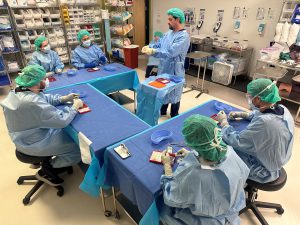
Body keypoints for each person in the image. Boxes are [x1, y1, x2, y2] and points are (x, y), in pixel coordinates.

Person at [0, 65, 83, 186]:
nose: (46, 81)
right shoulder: (31, 102)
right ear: (36, 82)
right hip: (36, 142)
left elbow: (42, 98)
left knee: (66, 136)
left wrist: (62, 99)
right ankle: (48, 169)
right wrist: (74, 107)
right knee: (77, 147)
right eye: (43, 79)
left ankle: (46, 161)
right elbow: (61, 120)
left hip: (23, 139)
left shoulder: (18, 91)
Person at [160, 115, 249, 225]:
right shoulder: (230, 152)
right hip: (231, 213)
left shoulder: (195, 174)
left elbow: (171, 197)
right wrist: (192, 154)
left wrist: (167, 165)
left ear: (192, 144)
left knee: (162, 210)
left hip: (206, 220)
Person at [216, 78, 294, 183]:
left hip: (263, 170)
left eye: (250, 96)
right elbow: (262, 114)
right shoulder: (282, 109)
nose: (249, 99)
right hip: (274, 160)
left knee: (222, 149)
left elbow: (238, 141)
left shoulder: (265, 123)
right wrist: (244, 114)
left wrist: (224, 124)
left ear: (257, 99)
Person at [142, 8, 190, 117]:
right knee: (163, 89)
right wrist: (150, 47)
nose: (168, 21)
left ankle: (174, 114)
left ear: (177, 19)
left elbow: (170, 52)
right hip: (164, 68)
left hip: (175, 70)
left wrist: (154, 51)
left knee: (174, 93)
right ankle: (162, 111)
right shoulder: (168, 33)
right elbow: (160, 44)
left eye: (170, 19)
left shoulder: (183, 36)